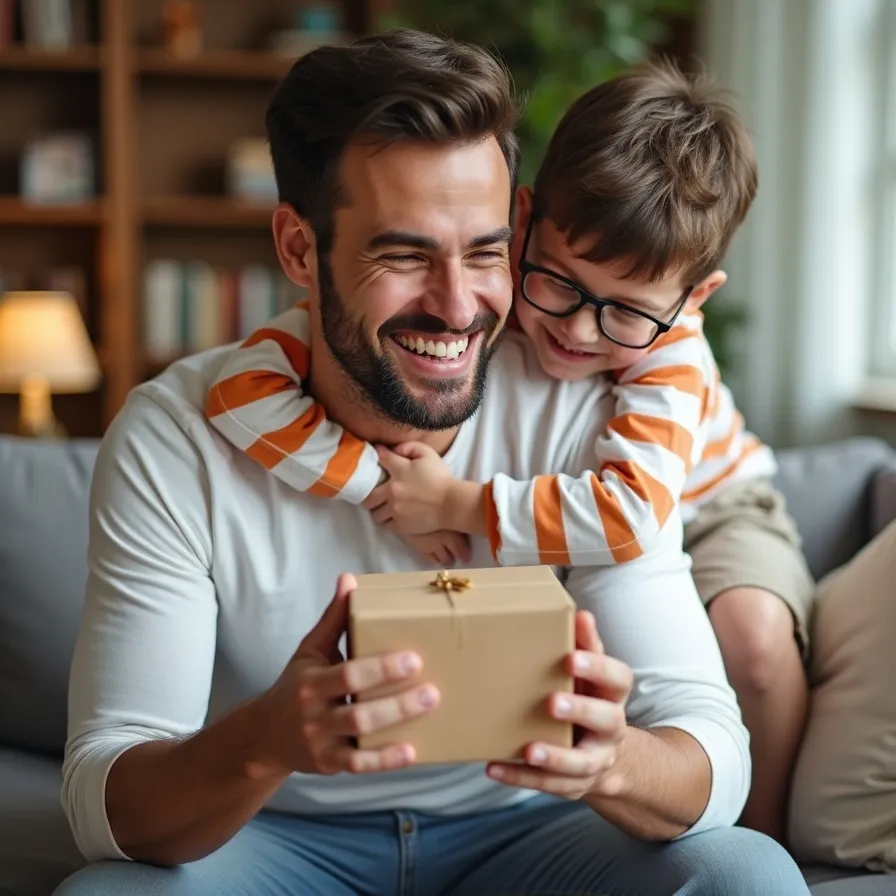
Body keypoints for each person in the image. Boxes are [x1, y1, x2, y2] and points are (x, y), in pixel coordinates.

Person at [55, 29, 810, 895]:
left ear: (516, 229)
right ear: (300, 250)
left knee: (746, 876)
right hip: (276, 839)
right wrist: (265, 739)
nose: (458, 308)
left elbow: (709, 748)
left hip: (534, 834)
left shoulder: (594, 408)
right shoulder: (174, 437)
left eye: (487, 253)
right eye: (405, 254)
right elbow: (101, 801)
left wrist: (613, 763)